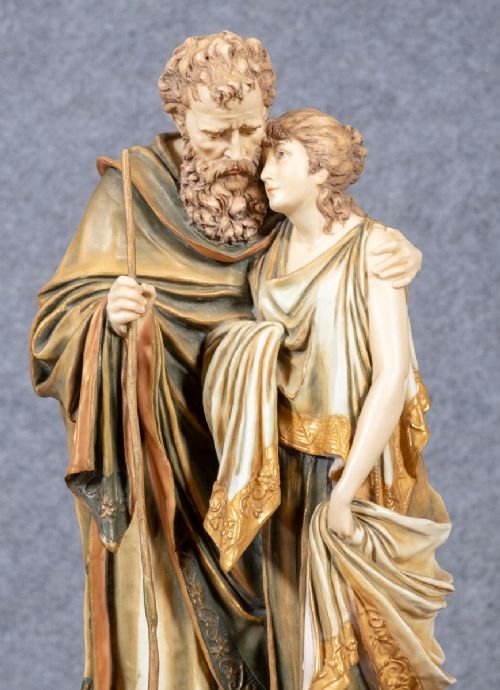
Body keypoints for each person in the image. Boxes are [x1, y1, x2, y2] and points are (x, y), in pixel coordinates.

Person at [30, 32, 423, 690]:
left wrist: (393, 255)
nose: (240, 154)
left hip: (276, 463)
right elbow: (55, 327)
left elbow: (340, 247)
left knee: (297, 642)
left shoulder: (280, 188)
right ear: (181, 123)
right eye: (216, 135)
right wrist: (108, 317)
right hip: (164, 458)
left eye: (251, 130)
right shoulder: (130, 196)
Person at [202, 109, 454, 690]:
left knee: (353, 642)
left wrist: (345, 491)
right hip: (277, 469)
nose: (265, 172)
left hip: (347, 470)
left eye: (281, 157)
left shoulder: (374, 248)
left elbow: (391, 376)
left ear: (320, 170)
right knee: (291, 641)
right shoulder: (269, 250)